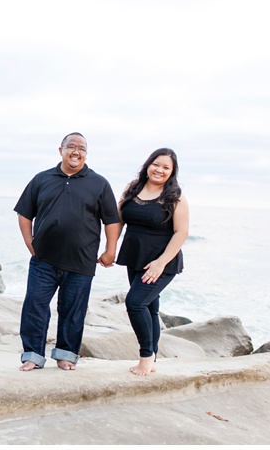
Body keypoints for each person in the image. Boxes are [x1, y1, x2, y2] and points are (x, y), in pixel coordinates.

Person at [14, 132, 121, 371]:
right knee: (35, 306)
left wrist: (110, 250)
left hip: (81, 261)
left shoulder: (99, 183)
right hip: (44, 260)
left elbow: (111, 220)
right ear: (60, 150)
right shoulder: (42, 179)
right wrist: (30, 243)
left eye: (81, 148)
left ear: (86, 153)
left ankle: (65, 354)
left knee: (73, 310)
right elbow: (24, 213)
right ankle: (32, 355)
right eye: (71, 147)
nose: (76, 151)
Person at [115, 148, 189, 376]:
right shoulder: (133, 187)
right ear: (148, 165)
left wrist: (160, 263)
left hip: (162, 260)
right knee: (149, 307)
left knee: (135, 303)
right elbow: (118, 220)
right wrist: (109, 249)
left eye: (166, 167)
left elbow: (181, 232)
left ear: (172, 172)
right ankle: (153, 356)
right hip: (135, 256)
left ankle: (146, 357)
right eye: (157, 164)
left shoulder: (175, 196)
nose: (160, 170)